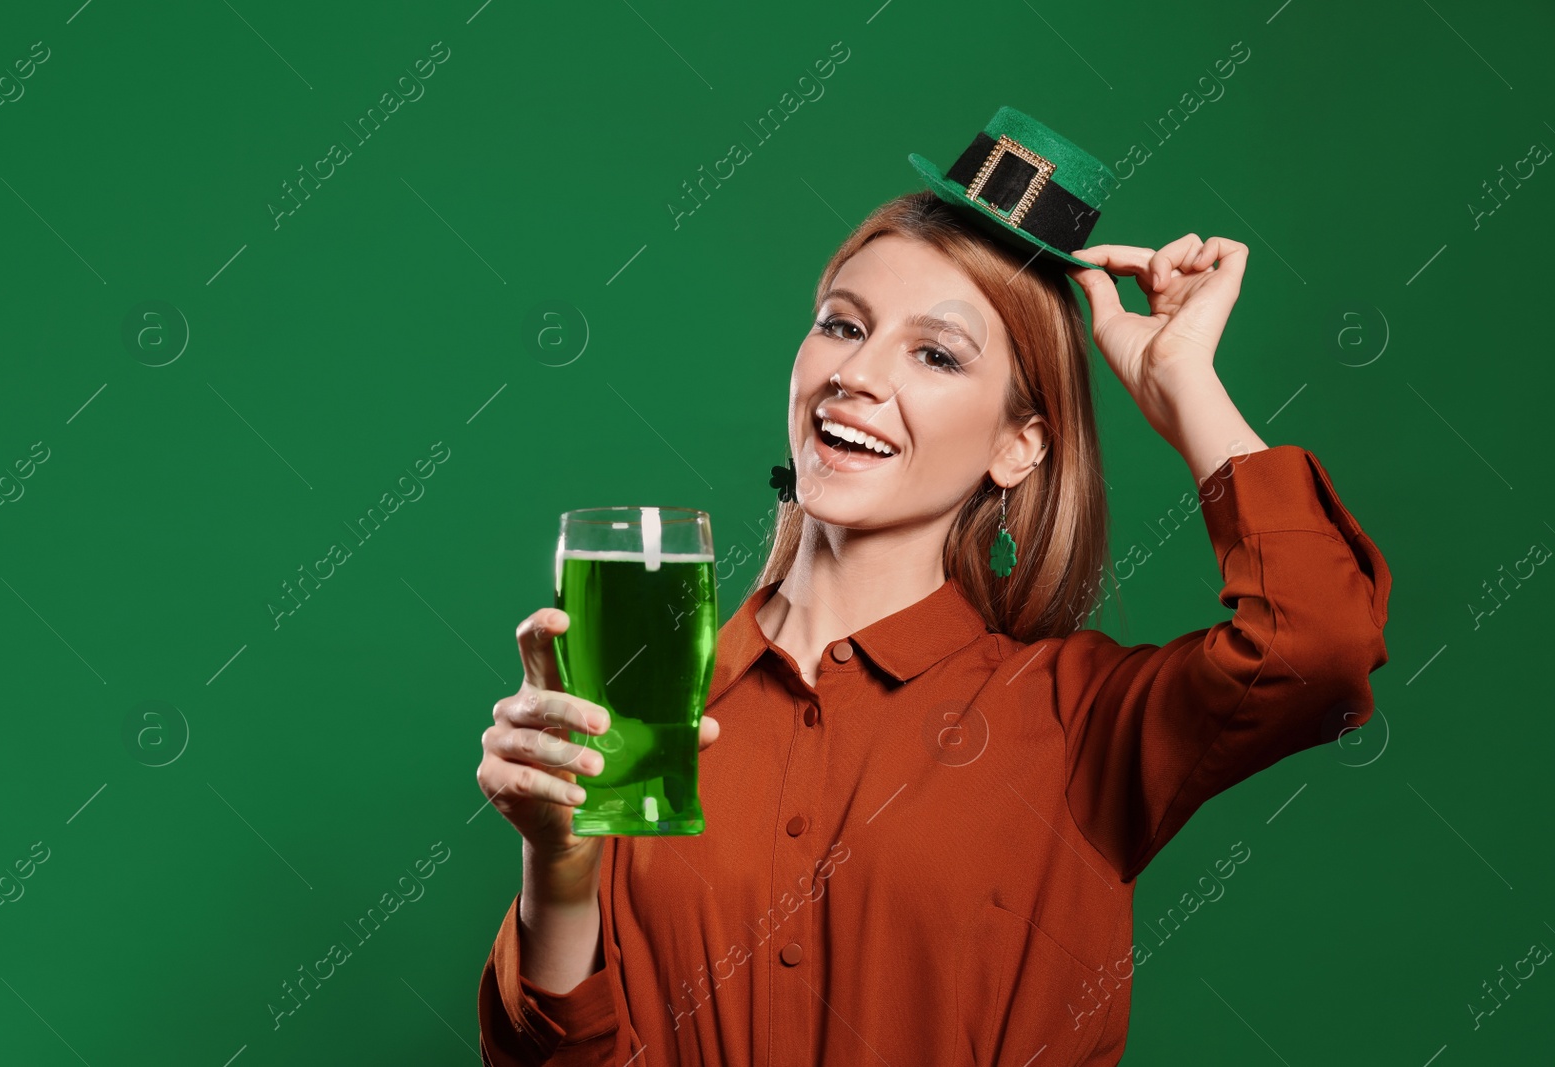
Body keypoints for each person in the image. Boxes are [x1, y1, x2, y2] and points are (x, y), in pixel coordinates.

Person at [474, 108, 1391, 1066]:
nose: (856, 373)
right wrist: (558, 869)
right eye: (842, 325)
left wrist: (1180, 382)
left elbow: (1319, 643)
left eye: (936, 353)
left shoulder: (1076, 719)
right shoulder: (649, 701)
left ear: (1017, 445)